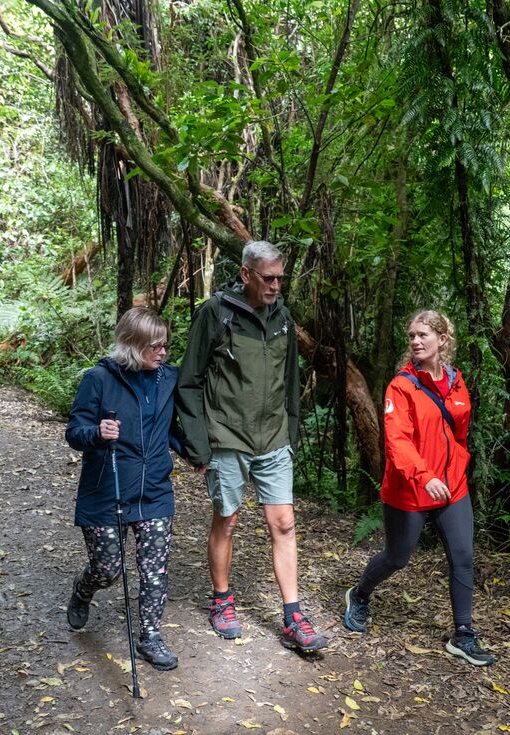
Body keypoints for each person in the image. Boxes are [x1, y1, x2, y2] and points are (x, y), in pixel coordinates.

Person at [176, 240, 327, 652]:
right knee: (227, 520)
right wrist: (198, 445)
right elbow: (188, 382)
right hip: (227, 437)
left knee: (284, 523)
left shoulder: (282, 318)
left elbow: (290, 382)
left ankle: (293, 615)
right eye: (268, 278)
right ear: (246, 274)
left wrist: (291, 433)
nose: (276, 286)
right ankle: (222, 600)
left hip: (274, 438)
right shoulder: (216, 313)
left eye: (281, 278)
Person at [342, 309, 495, 666]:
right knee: (397, 558)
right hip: (409, 490)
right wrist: (426, 477)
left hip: (451, 487)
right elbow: (397, 442)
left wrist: (456, 470)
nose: (415, 341)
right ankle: (359, 595)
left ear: (443, 339)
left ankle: (463, 634)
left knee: (462, 557)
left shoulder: (457, 383)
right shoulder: (401, 386)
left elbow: (459, 435)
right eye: (411, 335)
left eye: (423, 335)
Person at [65, 307, 186, 671]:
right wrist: (97, 432)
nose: (163, 352)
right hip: (108, 489)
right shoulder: (98, 379)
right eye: (155, 346)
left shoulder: (169, 378)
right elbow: (75, 432)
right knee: (108, 569)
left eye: (165, 345)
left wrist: (195, 453)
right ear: (133, 345)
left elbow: (170, 429)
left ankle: (150, 637)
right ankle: (84, 589)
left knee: (155, 570)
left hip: (155, 491)